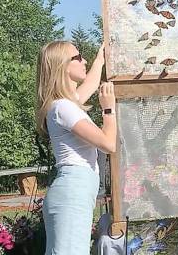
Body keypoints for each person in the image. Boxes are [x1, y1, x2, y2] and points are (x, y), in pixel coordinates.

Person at [35, 41, 117, 254]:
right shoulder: (63, 107)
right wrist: (108, 109)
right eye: (78, 58)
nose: (84, 61)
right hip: (72, 192)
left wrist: (101, 59)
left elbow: (89, 85)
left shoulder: (65, 105)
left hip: (74, 190)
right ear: (62, 66)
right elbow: (108, 144)